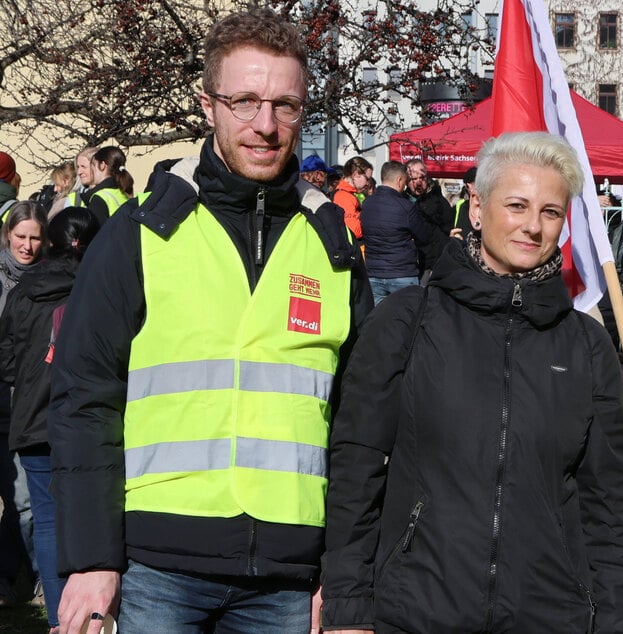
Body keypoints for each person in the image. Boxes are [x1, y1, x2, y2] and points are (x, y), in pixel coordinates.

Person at [48, 9, 373, 634]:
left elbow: (359, 431)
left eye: (285, 104)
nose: (265, 125)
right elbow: (83, 400)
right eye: (244, 100)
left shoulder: (332, 245)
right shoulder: (141, 232)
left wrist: (345, 574)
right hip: (155, 570)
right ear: (208, 106)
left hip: (288, 576)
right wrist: (90, 560)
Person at [321, 132, 623, 632]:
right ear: (476, 207)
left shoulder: (585, 344)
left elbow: (607, 506)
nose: (533, 226)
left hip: (549, 614)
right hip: (416, 610)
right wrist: (348, 606)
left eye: (551, 212)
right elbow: (356, 470)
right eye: (516, 205)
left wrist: (615, 622)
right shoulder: (407, 321)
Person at [0, 206, 100, 632]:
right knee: (91, 514)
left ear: (50, 242)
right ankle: (88, 611)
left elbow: (5, 358)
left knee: (45, 515)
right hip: (88, 418)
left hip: (35, 418)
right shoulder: (102, 286)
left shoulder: (26, 290)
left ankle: (62, 614)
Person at [0, 201, 47, 610]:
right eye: (21, 237)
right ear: (7, 236)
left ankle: (20, 575)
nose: (28, 246)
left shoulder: (52, 281)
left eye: (35, 237)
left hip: (26, 409)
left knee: (23, 502)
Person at [360, 160, 432, 305]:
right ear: (399, 180)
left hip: (374, 272)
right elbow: (424, 237)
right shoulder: (406, 207)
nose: (405, 186)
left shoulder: (367, 204)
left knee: (379, 321)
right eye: (405, 181)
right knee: (406, 320)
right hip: (402, 273)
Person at [405, 158, 453, 277]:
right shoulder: (402, 201)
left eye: (422, 178)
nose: (418, 182)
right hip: (408, 264)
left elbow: (448, 230)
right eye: (413, 179)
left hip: (433, 263)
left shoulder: (438, 201)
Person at [82, 146, 134, 227]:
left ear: (102, 165)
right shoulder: (124, 192)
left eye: (94, 166)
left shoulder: (99, 198)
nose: (92, 172)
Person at [332, 156, 373, 240]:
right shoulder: (343, 197)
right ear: (355, 175)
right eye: (367, 179)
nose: (368, 183)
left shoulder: (348, 194)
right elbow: (354, 231)